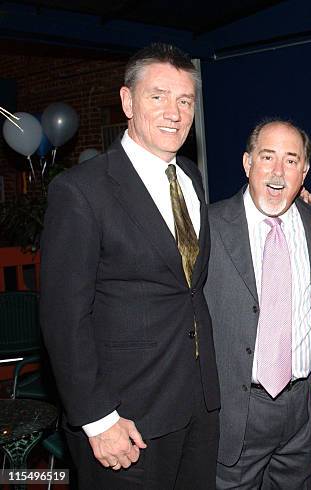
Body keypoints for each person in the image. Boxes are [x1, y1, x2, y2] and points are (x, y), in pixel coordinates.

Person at [40, 43, 220, 489]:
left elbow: (186, 287)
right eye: (158, 96)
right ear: (127, 101)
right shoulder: (81, 191)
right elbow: (64, 320)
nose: (174, 112)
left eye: (185, 100)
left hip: (197, 405)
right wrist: (98, 420)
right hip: (126, 420)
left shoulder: (192, 178)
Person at [204, 119, 311, 489]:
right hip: (237, 412)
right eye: (267, 156)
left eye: (290, 160)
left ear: (304, 171)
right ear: (247, 163)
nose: (277, 171)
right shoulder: (208, 226)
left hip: (303, 411)